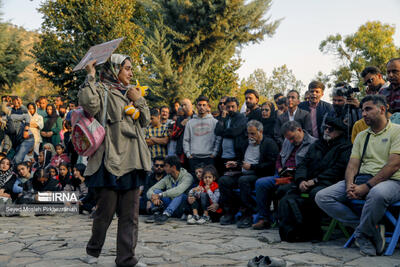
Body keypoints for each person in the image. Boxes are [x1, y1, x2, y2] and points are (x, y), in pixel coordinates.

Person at [78, 55, 151, 266]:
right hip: (110, 159)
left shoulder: (131, 92)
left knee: (130, 215)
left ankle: (127, 259)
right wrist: (90, 75)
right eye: (126, 68)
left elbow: (145, 120)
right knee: (105, 213)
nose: (130, 72)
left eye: (131, 68)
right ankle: (93, 250)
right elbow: (88, 104)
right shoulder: (101, 90)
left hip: (132, 160)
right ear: (114, 69)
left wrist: (138, 99)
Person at [316, 95, 400, 256]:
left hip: (393, 181)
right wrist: (349, 185)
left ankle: (362, 235)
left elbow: (393, 165)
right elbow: (353, 164)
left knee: (377, 193)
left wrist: (366, 187)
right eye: (362, 110)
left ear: (382, 109)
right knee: (323, 196)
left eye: (368, 109)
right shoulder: (362, 135)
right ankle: (369, 228)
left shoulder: (397, 132)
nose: (363, 114)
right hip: (363, 179)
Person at [278, 116, 352, 242]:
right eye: (325, 128)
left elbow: (337, 170)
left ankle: (313, 232)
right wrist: (301, 180)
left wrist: (315, 181)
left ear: (340, 131)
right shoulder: (318, 145)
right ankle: (292, 231)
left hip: (329, 183)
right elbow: (303, 164)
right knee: (286, 192)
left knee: (314, 193)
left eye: (331, 129)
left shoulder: (345, 147)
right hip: (308, 181)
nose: (326, 131)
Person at [253, 121, 317, 230]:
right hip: (283, 175)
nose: (291, 141)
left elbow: (310, 167)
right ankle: (264, 218)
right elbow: (279, 158)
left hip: (297, 178)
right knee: (260, 183)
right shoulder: (288, 141)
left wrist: (295, 174)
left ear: (299, 130)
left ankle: (284, 218)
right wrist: (279, 168)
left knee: (284, 189)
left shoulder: (313, 144)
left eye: (292, 138)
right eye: (288, 139)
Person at [219, 120, 279, 227]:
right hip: (244, 172)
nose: (250, 136)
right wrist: (236, 164)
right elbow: (242, 160)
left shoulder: (269, 143)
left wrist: (252, 167)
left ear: (260, 132)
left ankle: (248, 213)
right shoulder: (246, 143)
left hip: (259, 174)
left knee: (243, 181)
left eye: (253, 133)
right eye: (248, 133)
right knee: (224, 180)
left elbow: (271, 164)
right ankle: (230, 212)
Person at [146, 156, 193, 225]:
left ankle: (166, 214)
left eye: (166, 166)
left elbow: (178, 190)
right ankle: (156, 213)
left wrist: (160, 195)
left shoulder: (188, 177)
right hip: (170, 204)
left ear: (173, 167)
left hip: (181, 208)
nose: (164, 168)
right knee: (156, 191)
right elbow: (151, 190)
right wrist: (153, 198)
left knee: (180, 194)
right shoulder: (168, 177)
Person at [183, 95, 221, 173]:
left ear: (208, 106)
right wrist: (188, 154)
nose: (201, 107)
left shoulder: (214, 122)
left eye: (204, 105)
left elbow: (218, 139)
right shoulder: (190, 123)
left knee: (209, 182)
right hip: (194, 158)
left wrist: (214, 153)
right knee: (194, 182)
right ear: (196, 106)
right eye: (199, 105)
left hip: (209, 157)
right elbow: (186, 140)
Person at [215, 97, 247, 170]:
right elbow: (217, 131)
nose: (230, 109)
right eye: (228, 107)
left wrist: (222, 131)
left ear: (238, 107)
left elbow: (233, 132)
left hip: (235, 155)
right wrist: (222, 118)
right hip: (223, 154)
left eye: (233, 107)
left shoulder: (241, 117)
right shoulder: (224, 117)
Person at [8, 97, 35, 164]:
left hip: (27, 139)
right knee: (11, 159)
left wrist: (26, 130)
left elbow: (27, 116)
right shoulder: (5, 122)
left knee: (17, 159)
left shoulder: (12, 117)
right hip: (19, 141)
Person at [170, 98, 195, 165]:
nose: (183, 107)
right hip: (182, 152)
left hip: (195, 151)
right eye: (182, 105)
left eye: (185, 105)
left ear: (191, 105)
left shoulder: (197, 118)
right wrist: (181, 125)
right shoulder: (179, 119)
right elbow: (173, 136)